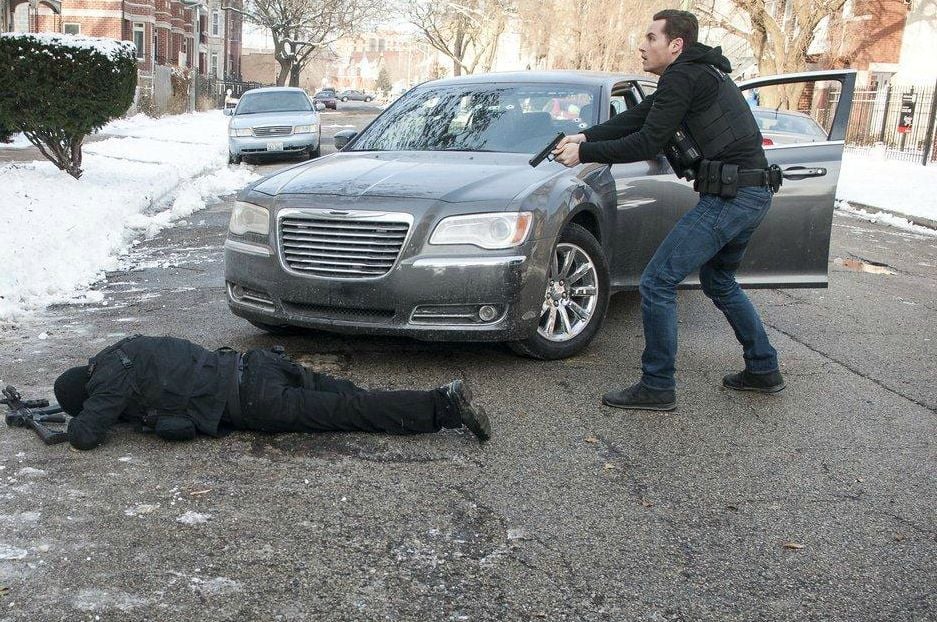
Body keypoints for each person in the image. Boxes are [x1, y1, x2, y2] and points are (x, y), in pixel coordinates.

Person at [552, 9, 784, 411]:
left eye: (650, 38)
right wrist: (584, 133)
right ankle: (763, 367)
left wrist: (584, 153)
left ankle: (657, 385)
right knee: (719, 279)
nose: (642, 46)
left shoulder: (684, 75)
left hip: (731, 198)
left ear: (676, 44)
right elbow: (637, 118)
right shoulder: (696, 73)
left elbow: (646, 142)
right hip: (750, 192)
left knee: (657, 281)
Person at [52, 335, 491, 450]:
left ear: (85, 389)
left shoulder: (108, 380)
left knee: (350, 411)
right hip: (257, 363)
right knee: (349, 394)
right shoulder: (123, 350)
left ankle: (444, 406)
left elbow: (87, 434)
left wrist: (75, 422)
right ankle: (434, 401)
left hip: (256, 402)